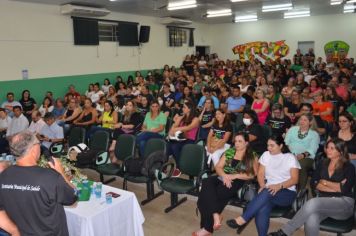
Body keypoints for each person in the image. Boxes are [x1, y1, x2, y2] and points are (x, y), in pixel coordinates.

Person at [269, 138, 355, 236]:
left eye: (332, 148)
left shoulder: (349, 167)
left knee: (313, 202)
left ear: (340, 151)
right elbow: (314, 183)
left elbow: (345, 189)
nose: (328, 150)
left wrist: (324, 182)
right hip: (324, 202)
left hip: (343, 204)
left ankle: (285, 232)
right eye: (327, 147)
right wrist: (336, 186)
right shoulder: (322, 163)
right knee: (311, 218)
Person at [0, 131, 77, 235]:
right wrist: (61, 173)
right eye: (38, 143)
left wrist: (14, 231)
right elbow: (73, 197)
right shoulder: (50, 177)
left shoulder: (3, 176)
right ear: (34, 149)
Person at [226, 136, 300, 236]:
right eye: (268, 145)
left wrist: (279, 186)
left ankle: (243, 218)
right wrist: (261, 185)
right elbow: (260, 174)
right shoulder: (266, 155)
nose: (269, 148)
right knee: (262, 208)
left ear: (281, 146)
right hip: (268, 192)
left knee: (267, 191)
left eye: (272, 146)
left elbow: (294, 180)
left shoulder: (290, 158)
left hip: (286, 192)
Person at [194, 133, 258, 236]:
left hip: (238, 180)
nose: (236, 144)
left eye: (240, 141)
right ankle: (215, 214)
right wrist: (225, 176)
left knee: (209, 197)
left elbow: (252, 174)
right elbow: (218, 167)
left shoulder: (251, 155)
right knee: (206, 182)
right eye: (235, 141)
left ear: (246, 143)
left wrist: (235, 176)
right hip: (224, 176)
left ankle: (207, 229)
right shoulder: (230, 152)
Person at [285, 113, 320, 188]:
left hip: (306, 157)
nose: (302, 122)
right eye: (301, 119)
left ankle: (301, 189)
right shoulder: (292, 129)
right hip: (290, 153)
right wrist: (291, 153)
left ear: (310, 122)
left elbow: (312, 149)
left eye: (305, 120)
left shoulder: (314, 134)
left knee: (300, 165)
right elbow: (286, 142)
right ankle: (285, 185)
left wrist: (302, 155)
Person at [167, 101, 200, 177]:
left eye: (184, 107)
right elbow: (173, 126)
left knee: (175, 146)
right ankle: (164, 166)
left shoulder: (196, 119)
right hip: (179, 138)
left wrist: (175, 129)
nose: (182, 108)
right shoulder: (181, 117)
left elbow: (188, 128)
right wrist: (170, 133)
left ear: (190, 109)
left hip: (190, 139)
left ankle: (179, 167)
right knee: (167, 145)